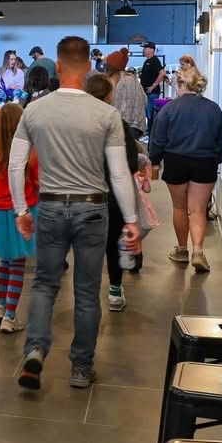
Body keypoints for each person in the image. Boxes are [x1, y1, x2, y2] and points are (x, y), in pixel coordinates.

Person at [9, 36, 141, 391]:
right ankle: (81, 368)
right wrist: (130, 221)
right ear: (87, 67)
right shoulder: (106, 114)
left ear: (57, 65)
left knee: (44, 284)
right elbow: (118, 173)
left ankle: (35, 351)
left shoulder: (34, 111)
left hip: (50, 206)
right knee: (86, 292)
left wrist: (22, 209)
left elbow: (15, 164)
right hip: (93, 209)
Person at [149, 63, 222, 272]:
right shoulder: (213, 108)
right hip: (205, 161)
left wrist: (155, 161)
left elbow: (158, 139)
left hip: (176, 161)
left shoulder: (169, 109)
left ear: (180, 84)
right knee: (198, 209)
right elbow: (221, 139)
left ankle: (182, 250)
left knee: (180, 208)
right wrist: (216, 159)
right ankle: (199, 251)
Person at [87, 73, 143, 312]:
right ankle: (115, 290)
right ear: (110, 95)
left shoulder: (78, 123)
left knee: (87, 246)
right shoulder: (117, 123)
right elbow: (130, 162)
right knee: (112, 243)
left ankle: (86, 292)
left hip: (83, 196)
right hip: (112, 197)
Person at [0, 102, 35, 333]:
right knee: (18, 265)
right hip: (21, 212)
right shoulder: (29, 151)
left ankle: (0, 306)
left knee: (4, 261)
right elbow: (37, 181)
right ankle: (10, 316)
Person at [105, 47, 147, 137]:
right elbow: (145, 100)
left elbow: (110, 104)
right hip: (137, 125)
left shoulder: (113, 81)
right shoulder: (134, 80)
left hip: (120, 125)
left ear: (110, 66)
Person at [141, 41, 167, 129]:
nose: (143, 50)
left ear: (151, 49)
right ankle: (149, 133)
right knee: (148, 115)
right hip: (147, 93)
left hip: (152, 93)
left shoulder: (154, 61)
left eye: (145, 48)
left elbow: (162, 73)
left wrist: (153, 86)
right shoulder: (147, 61)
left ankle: (152, 134)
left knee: (151, 115)